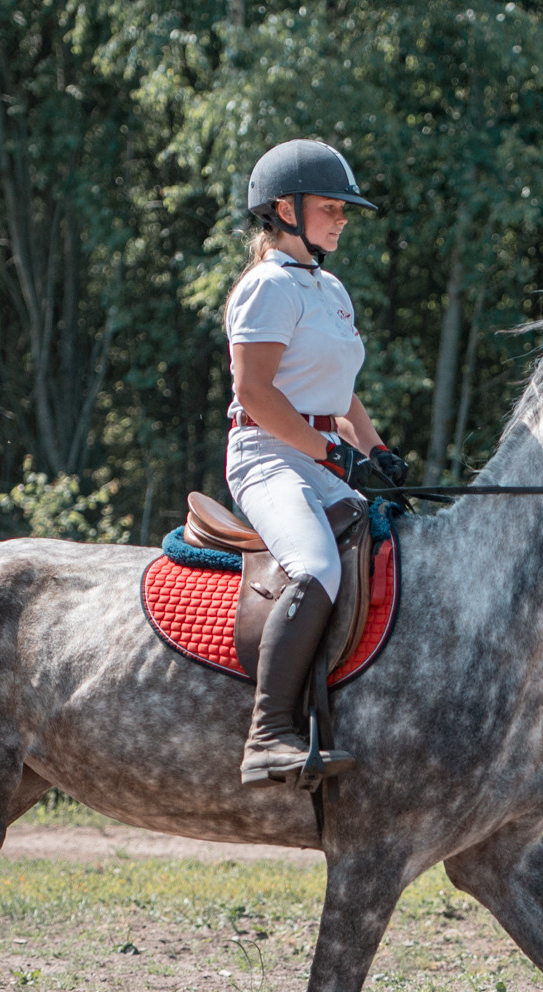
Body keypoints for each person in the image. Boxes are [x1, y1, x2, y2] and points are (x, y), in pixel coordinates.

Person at [225, 139, 410, 787]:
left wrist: (377, 451)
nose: (342, 219)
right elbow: (256, 394)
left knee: (389, 545)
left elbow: (341, 393)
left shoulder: (328, 288)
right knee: (315, 565)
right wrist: (332, 453)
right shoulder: (268, 287)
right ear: (285, 209)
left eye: (343, 210)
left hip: (318, 454)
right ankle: (268, 733)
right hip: (267, 456)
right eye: (331, 207)